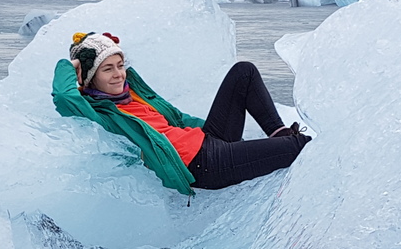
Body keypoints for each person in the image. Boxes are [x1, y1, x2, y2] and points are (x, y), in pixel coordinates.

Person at [53, 31, 310, 195]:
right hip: (202, 165)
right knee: (298, 146)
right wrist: (74, 64)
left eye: (120, 65)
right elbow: (64, 95)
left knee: (244, 72)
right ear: (88, 77)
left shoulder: (135, 95)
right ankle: (290, 145)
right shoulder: (102, 113)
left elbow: (176, 118)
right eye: (107, 69)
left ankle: (278, 132)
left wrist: (213, 131)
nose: (119, 74)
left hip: (208, 142)